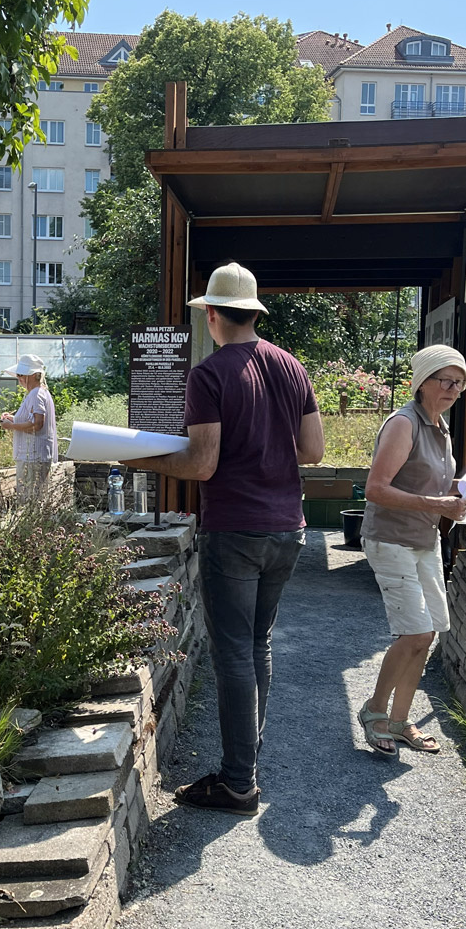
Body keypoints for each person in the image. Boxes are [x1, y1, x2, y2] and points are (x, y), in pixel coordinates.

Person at [124, 262, 324, 815]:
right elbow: (313, 451)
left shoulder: (208, 375)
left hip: (234, 528)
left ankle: (238, 783)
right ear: (253, 313)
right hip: (289, 527)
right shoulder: (291, 366)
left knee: (234, 652)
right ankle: (247, 757)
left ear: (211, 316)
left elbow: (203, 463)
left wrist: (138, 455)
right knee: (256, 645)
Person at [357, 344, 466, 759]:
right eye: (444, 380)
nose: (452, 388)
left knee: (427, 635)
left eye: (458, 382)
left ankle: (400, 719)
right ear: (422, 382)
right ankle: (375, 711)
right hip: (391, 539)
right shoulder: (403, 423)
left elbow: (426, 486)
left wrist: (461, 490)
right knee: (417, 632)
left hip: (423, 540)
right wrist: (438, 505)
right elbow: (376, 490)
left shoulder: (439, 426)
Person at [0, 354, 58, 502]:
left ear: (31, 375)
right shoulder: (40, 392)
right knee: (36, 497)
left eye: (20, 375)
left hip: (33, 455)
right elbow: (32, 420)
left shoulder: (36, 394)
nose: (18, 378)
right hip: (35, 454)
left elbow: (38, 424)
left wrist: (11, 426)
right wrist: (12, 419)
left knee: (30, 499)